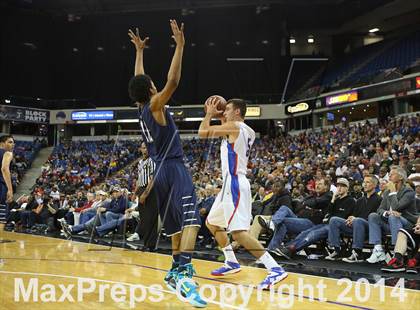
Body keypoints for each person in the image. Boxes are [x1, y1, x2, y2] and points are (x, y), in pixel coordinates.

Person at [127, 21, 206, 307]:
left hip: (160, 172)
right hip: (172, 167)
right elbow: (173, 82)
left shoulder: (141, 109)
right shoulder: (155, 105)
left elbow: (139, 79)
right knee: (192, 221)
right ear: (150, 88)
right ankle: (185, 274)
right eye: (151, 83)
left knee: (174, 225)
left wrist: (139, 52)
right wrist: (181, 46)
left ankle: (174, 271)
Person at [198, 98, 287, 290]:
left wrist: (210, 114)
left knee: (238, 234)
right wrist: (222, 116)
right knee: (212, 223)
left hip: (235, 183)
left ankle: (275, 269)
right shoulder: (247, 130)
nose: (225, 112)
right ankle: (231, 262)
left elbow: (202, 132)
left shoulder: (235, 127)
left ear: (237, 111)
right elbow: (228, 131)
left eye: (228, 109)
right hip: (230, 184)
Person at [367, 166, 417, 264]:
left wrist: (393, 192)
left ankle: (397, 252)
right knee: (373, 216)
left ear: (401, 177)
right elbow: (379, 210)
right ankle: (378, 250)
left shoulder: (408, 191)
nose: (389, 176)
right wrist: (386, 213)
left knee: (394, 216)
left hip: (407, 225)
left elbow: (397, 207)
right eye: (389, 174)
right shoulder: (387, 192)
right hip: (391, 222)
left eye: (392, 174)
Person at [0, 135, 15, 222]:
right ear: (2, 144)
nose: (13, 144)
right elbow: (4, 169)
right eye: (10, 142)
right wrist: (10, 189)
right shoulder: (8, 153)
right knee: (1, 217)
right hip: (1, 185)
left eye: (13, 142)